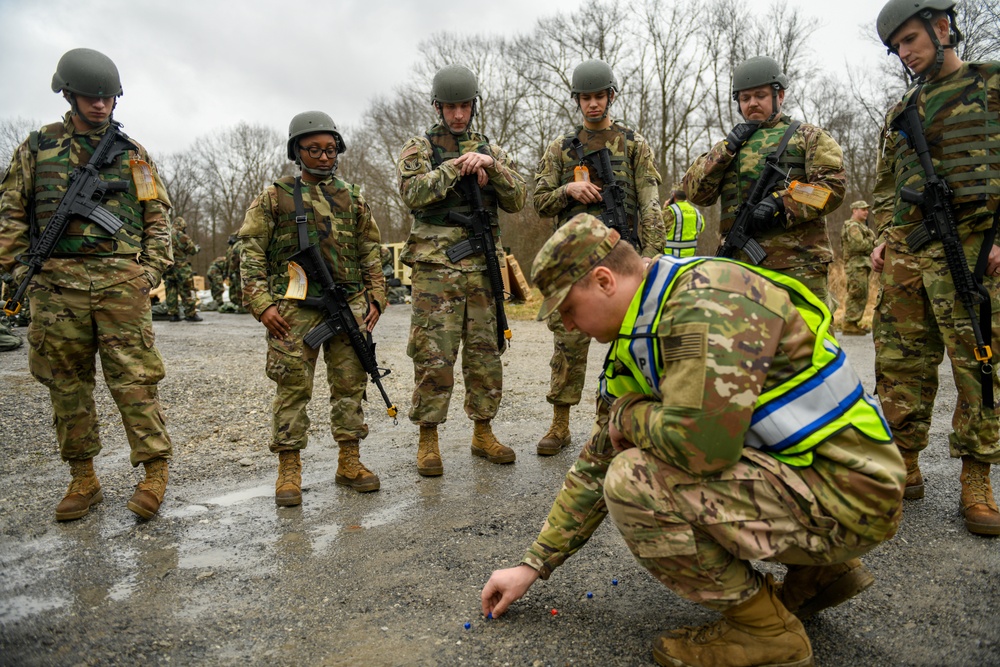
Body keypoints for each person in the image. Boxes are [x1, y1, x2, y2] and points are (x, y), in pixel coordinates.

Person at [480, 214, 904, 667]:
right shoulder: (646, 325)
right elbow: (599, 456)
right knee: (631, 456)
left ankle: (765, 633)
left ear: (604, 280)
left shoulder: (705, 304)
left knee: (634, 481)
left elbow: (701, 448)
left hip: (853, 495)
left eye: (567, 309)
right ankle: (819, 573)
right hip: (821, 477)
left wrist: (629, 412)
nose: (566, 324)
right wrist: (533, 564)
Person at [0, 48, 174, 520]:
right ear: (68, 95)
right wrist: (20, 271)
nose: (100, 106)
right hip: (55, 287)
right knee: (67, 387)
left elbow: (158, 217)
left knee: (136, 381)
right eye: (90, 97)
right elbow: (11, 213)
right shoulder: (37, 147)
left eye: (108, 98)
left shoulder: (133, 154)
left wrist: (150, 271)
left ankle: (154, 474)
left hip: (121, 284)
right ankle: (83, 479)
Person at [873, 0, 1000, 535]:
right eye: (897, 46)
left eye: (910, 40)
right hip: (906, 250)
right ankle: (905, 462)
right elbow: (884, 183)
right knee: (901, 361)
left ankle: (977, 476)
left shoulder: (992, 84)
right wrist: (882, 236)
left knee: (979, 363)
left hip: (974, 246)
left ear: (942, 27)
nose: (905, 53)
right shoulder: (902, 109)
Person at [238, 111, 387, 504]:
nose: (323, 156)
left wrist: (376, 296)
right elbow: (250, 251)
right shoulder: (275, 196)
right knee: (291, 386)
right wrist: (261, 304)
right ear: (296, 151)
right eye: (313, 149)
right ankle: (289, 468)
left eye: (330, 148)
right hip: (293, 306)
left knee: (351, 383)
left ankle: (349, 461)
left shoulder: (353, 196)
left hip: (349, 300)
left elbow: (370, 248)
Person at [396, 65, 526, 476]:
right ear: (438, 107)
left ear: (474, 106)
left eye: (464, 106)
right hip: (437, 267)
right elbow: (413, 194)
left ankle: (483, 431)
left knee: (486, 352)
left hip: (483, 263)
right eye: (450, 107)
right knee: (434, 353)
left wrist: (492, 168)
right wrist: (457, 167)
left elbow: (518, 199)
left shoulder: (490, 148)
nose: (458, 114)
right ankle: (428, 440)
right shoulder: (419, 148)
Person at [532, 59, 665, 457]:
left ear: (611, 96)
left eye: (599, 96)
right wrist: (568, 193)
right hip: (575, 264)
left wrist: (652, 256)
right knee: (568, 345)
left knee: (626, 347)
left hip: (623, 255)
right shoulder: (560, 148)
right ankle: (560, 423)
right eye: (586, 97)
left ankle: (609, 423)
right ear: (577, 100)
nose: (593, 104)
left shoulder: (634, 143)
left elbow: (650, 200)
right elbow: (538, 200)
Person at [684, 56, 845, 303]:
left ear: (779, 96)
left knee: (806, 338)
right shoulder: (729, 147)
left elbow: (830, 191)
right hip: (739, 268)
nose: (752, 103)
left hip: (798, 266)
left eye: (760, 95)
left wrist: (782, 203)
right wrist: (725, 149)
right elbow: (696, 194)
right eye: (745, 98)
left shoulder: (809, 137)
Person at [840, 200, 876, 335]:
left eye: (867, 209)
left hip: (861, 264)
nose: (866, 212)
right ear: (854, 210)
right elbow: (858, 245)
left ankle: (853, 323)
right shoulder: (853, 226)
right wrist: (873, 243)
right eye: (863, 209)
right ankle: (849, 323)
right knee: (856, 293)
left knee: (861, 293)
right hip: (856, 265)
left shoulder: (861, 226)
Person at [163, 215, 202, 322]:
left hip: (168, 266)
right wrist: (197, 249)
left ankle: (173, 314)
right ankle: (190, 314)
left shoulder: (165, 235)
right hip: (182, 267)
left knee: (171, 290)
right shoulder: (182, 236)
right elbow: (192, 250)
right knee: (187, 290)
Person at [662, 186, 704, 258]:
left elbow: (656, 228)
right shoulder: (696, 212)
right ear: (687, 197)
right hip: (690, 260)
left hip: (670, 260)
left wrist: (664, 209)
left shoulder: (669, 211)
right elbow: (701, 228)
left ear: (673, 196)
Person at [220, 235, 246, 313]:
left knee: (239, 289)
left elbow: (233, 260)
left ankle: (242, 307)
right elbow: (228, 261)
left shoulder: (237, 246)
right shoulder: (233, 247)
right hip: (238, 270)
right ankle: (240, 305)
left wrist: (231, 271)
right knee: (236, 289)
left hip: (239, 271)